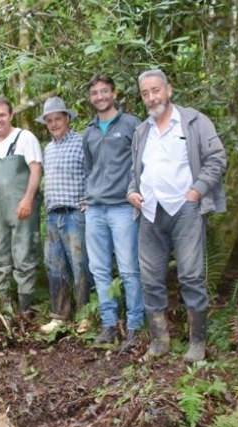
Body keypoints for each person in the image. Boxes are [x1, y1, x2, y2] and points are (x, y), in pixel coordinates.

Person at [128, 69, 226, 363]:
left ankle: (197, 343)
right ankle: (159, 342)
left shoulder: (194, 121)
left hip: (185, 210)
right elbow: (136, 172)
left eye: (155, 90)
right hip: (149, 211)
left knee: (191, 276)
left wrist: (197, 191)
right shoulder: (142, 131)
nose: (151, 97)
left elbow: (217, 158)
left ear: (168, 90)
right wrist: (132, 191)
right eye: (145, 93)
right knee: (150, 279)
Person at [82, 73, 144, 347]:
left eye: (104, 91)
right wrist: (87, 197)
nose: (100, 97)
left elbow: (143, 161)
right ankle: (108, 325)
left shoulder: (132, 124)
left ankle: (134, 326)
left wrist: (136, 192)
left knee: (129, 270)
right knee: (99, 270)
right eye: (95, 93)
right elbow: (89, 168)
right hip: (95, 209)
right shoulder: (90, 131)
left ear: (114, 93)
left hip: (122, 207)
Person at [0, 97, 43, 316]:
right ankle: (3, 311)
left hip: (22, 209)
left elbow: (36, 169)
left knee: (24, 257)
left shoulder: (24, 138)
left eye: (2, 114)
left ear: (11, 115)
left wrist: (28, 199)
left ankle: (26, 309)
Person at [36, 97, 90, 333]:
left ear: (67, 118)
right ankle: (59, 315)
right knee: (54, 265)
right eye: (49, 120)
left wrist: (90, 200)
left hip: (75, 213)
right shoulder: (48, 148)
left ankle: (86, 314)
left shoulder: (81, 142)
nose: (54, 124)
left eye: (58, 118)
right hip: (52, 215)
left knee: (80, 265)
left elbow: (91, 173)